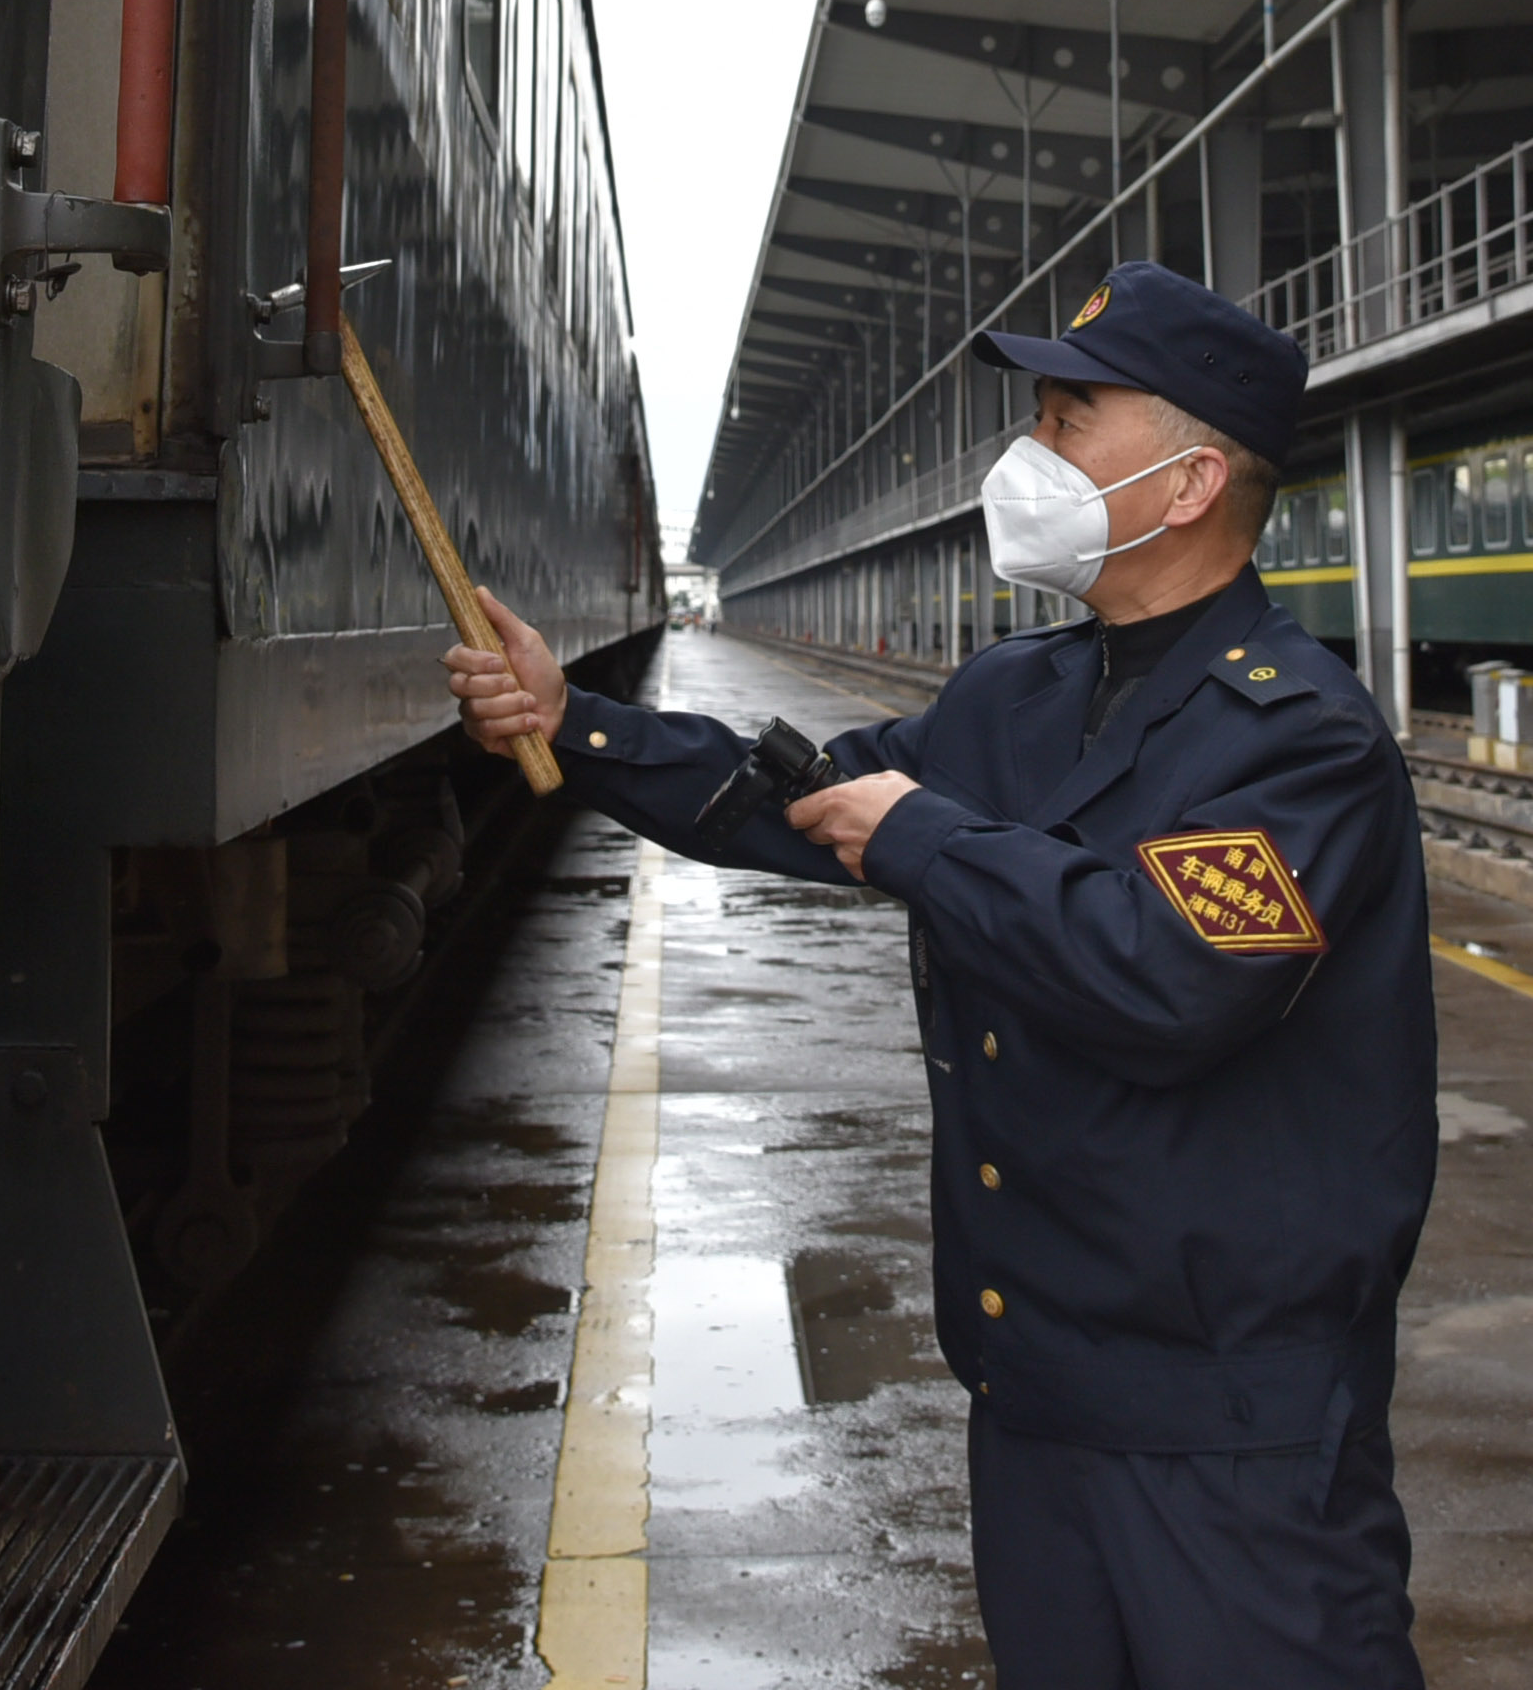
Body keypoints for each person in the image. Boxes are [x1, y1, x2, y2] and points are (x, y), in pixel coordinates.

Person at [445, 259, 1435, 1690]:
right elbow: (785, 801)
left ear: (1190, 481)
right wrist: (575, 721)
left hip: (1232, 1431)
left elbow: (1166, 979)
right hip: (1032, 1395)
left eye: (1071, 417)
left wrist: (927, 838)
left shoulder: (1300, 746)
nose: (1027, 455)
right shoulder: (1016, 697)